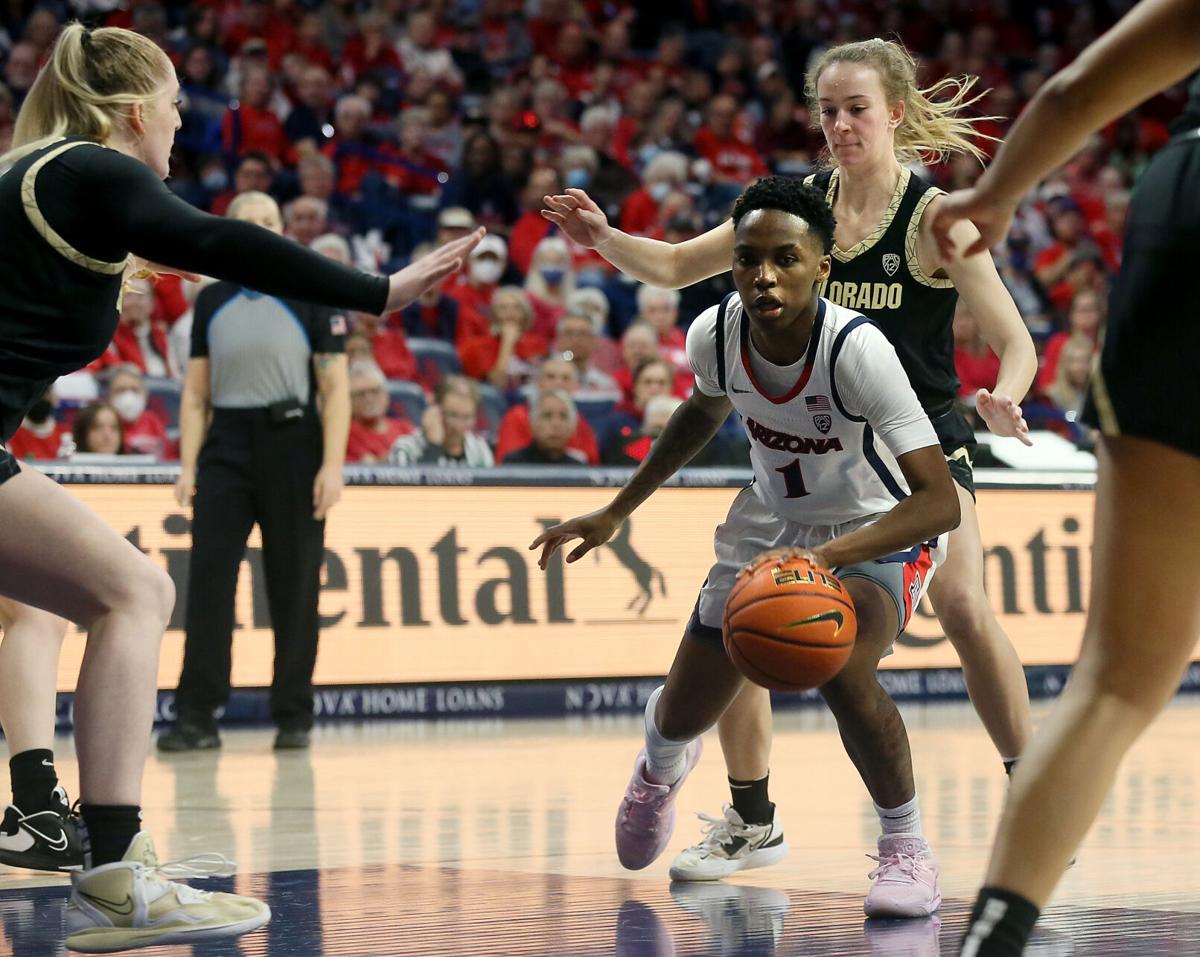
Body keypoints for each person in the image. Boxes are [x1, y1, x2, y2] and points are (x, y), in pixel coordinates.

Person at [0, 23, 481, 950]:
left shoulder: (38, 175)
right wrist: (378, 291)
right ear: (133, 110)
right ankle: (116, 873)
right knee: (134, 591)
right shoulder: (92, 171)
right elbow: (218, 238)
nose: (182, 126)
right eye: (176, 106)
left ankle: (94, 849)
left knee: (79, 601)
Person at [542, 36, 1038, 881]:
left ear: (895, 114)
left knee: (961, 602)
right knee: (757, 613)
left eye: (857, 110)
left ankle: (1033, 786)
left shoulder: (934, 219)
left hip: (910, 451)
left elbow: (1014, 339)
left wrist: (1007, 395)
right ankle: (751, 816)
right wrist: (603, 238)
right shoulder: (794, 211)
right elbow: (675, 265)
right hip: (809, 448)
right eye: (829, 111)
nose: (841, 126)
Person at [531, 177, 961, 915]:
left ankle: (905, 847)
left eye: (785, 259)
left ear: (821, 266)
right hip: (770, 520)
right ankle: (660, 768)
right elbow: (700, 414)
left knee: (844, 665)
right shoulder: (716, 333)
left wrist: (823, 562)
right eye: (748, 258)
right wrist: (617, 510)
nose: (764, 275)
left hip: (874, 524)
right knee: (681, 712)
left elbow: (940, 502)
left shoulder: (857, 349)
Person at [927, 3, 1200, 952]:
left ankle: (991, 938)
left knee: (1116, 681)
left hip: (1185, 212)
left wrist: (996, 195)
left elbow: (1077, 91)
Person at [157, 189, 354, 754]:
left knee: (296, 584)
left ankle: (294, 713)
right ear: (231, 231)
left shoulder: (312, 289)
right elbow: (195, 394)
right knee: (209, 581)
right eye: (249, 221)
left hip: (294, 443)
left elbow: (336, 388)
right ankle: (197, 715)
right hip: (226, 444)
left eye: (270, 219)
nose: (261, 228)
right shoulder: (210, 300)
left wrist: (332, 465)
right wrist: (188, 464)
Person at [389, 375, 494, 468]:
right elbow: (413, 484)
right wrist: (433, 447)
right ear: (434, 410)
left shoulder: (480, 449)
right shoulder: (406, 449)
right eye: (453, 415)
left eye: (467, 417)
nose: (458, 427)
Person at [345, 360, 413, 463]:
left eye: (375, 391)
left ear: (386, 394)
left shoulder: (405, 428)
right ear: (349, 400)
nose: (369, 398)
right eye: (360, 394)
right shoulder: (346, 434)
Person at [502, 389, 587, 465]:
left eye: (563, 416)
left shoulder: (578, 468)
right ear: (532, 425)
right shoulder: (514, 464)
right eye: (547, 416)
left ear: (571, 427)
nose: (556, 424)